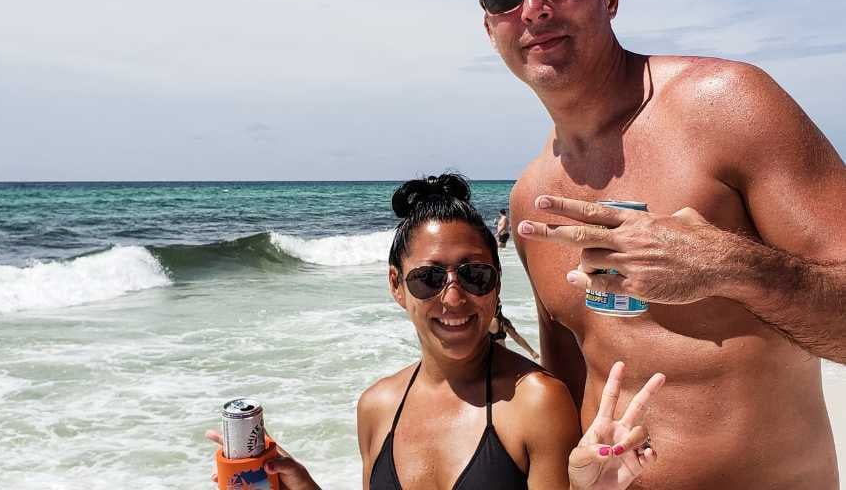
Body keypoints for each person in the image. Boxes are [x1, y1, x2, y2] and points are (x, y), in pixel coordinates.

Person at [474, 0, 846, 489]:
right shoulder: (530, 200)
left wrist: (728, 268)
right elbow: (572, 398)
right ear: (490, 25)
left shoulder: (728, 104)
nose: (533, 7)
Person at [208, 174, 665, 489]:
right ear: (396, 285)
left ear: (496, 284)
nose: (452, 298)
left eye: (475, 276)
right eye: (428, 278)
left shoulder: (534, 401)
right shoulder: (377, 406)